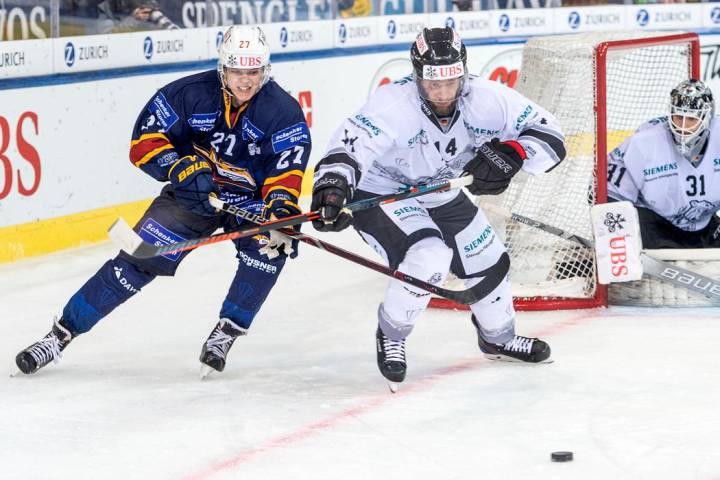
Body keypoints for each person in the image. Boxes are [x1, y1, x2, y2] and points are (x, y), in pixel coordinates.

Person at [15, 25, 311, 376]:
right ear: (222, 69)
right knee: (135, 261)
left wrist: (279, 208)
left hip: (249, 201)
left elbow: (286, 172)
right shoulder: (188, 94)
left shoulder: (283, 111)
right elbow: (144, 141)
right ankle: (60, 335)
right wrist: (179, 166)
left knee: (269, 249)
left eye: (253, 72)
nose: (245, 81)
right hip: (192, 197)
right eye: (237, 71)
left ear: (266, 70)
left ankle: (227, 331)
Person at [310, 27, 566, 388]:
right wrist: (333, 186)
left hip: (441, 191)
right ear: (416, 75)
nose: (443, 93)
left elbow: (550, 132)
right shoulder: (392, 104)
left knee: (488, 260)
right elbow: (351, 147)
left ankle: (498, 338)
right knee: (429, 255)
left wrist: (515, 153)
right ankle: (392, 335)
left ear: (463, 70)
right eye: (433, 83)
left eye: (451, 81)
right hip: (383, 191)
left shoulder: (488, 97)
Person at [607, 79, 720, 249]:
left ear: (707, 117)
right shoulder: (644, 142)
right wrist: (617, 245)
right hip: (656, 227)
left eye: (690, 119)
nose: (682, 127)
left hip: (705, 227)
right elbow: (609, 195)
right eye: (678, 116)